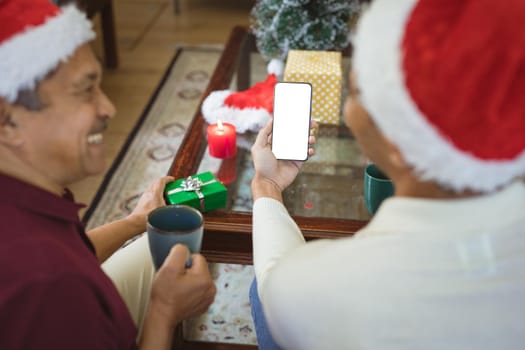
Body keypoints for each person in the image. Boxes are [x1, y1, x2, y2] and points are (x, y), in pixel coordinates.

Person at [249, 0, 525, 349]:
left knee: (256, 290)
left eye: (356, 92)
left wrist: (267, 185)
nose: (348, 109)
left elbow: (275, 287)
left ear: (397, 141)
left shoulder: (314, 289)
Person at [0, 0, 216, 349]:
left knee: (156, 242)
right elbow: (59, 271)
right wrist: (163, 313)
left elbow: (75, 249)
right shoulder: (46, 284)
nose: (108, 108)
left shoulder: (26, 199)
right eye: (86, 89)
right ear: (7, 120)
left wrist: (136, 220)